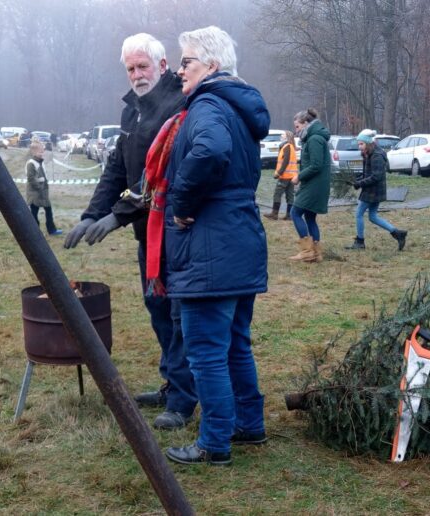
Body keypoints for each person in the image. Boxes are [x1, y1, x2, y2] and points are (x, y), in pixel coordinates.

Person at [62, 33, 198, 430]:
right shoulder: (132, 111)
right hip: (147, 235)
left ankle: (185, 398)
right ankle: (172, 383)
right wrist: (92, 214)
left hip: (177, 231)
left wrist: (117, 216)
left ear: (162, 66)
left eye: (142, 67)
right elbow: (119, 171)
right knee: (157, 309)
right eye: (130, 69)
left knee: (177, 315)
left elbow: (161, 177)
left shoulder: (179, 104)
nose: (136, 75)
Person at [160, 25, 269, 467]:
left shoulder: (208, 104)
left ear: (212, 66)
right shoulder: (236, 106)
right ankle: (249, 424)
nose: (179, 69)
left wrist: (182, 203)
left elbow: (208, 152)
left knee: (206, 351)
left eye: (186, 61)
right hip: (240, 240)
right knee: (235, 344)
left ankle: (214, 442)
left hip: (211, 248)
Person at [346, 129, 408, 251]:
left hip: (373, 191)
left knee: (358, 214)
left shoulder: (377, 155)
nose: (359, 147)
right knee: (372, 216)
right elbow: (368, 173)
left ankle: (360, 242)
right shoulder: (369, 153)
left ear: (368, 143)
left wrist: (360, 183)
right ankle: (398, 234)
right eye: (358, 144)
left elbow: (376, 176)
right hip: (372, 190)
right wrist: (357, 178)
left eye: (361, 144)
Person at [288, 108, 331, 263]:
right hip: (315, 184)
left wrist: (299, 176)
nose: (296, 130)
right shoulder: (314, 137)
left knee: (295, 212)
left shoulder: (314, 139)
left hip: (314, 185)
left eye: (298, 127)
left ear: (306, 123)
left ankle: (307, 251)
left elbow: (316, 165)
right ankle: (316, 253)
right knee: (310, 217)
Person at [26, 141, 62, 236]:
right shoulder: (31, 163)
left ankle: (52, 230)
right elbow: (31, 178)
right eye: (40, 152)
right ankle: (35, 232)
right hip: (35, 193)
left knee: (48, 210)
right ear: (33, 152)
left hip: (43, 193)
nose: (42, 154)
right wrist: (39, 187)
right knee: (34, 213)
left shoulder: (41, 163)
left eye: (42, 152)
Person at [263, 130, 297, 220]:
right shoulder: (290, 146)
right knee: (290, 195)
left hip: (285, 176)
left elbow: (285, 162)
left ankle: (274, 214)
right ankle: (289, 215)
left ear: (287, 137)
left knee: (277, 194)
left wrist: (278, 173)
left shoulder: (286, 146)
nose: (281, 136)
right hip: (292, 176)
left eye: (282, 135)